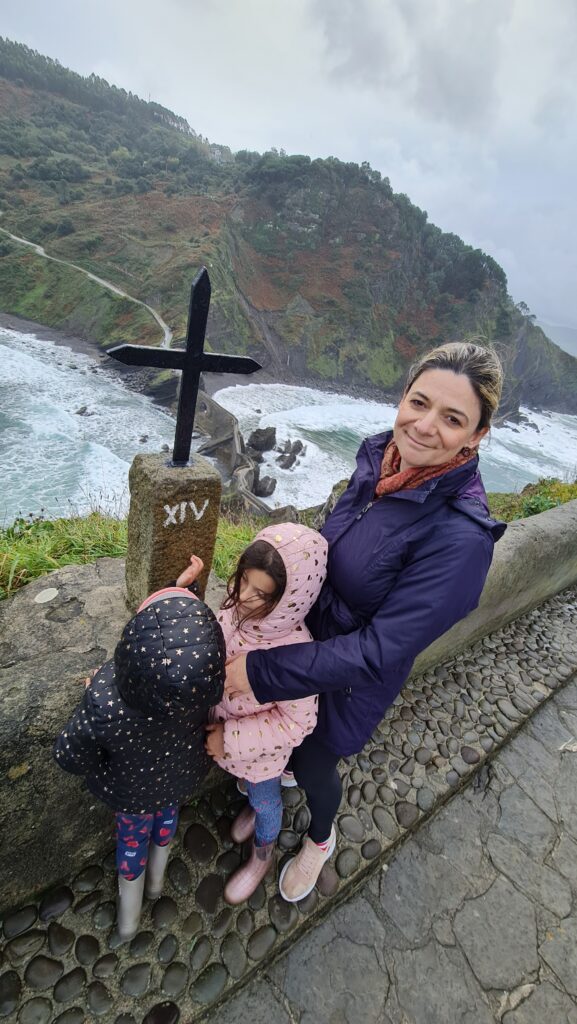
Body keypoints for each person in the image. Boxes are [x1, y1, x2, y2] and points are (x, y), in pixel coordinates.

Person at [224, 341, 507, 902]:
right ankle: (267, 791)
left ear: (477, 435)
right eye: (418, 402)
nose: (425, 427)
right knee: (278, 747)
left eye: (453, 419)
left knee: (311, 764)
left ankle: (321, 838)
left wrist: (262, 672)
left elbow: (381, 648)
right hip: (297, 644)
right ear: (402, 397)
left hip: (348, 681)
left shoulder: (462, 540)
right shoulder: (379, 457)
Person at [54, 568, 225, 940]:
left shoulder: (106, 696)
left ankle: (129, 923)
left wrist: (95, 692)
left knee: (132, 845)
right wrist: (188, 589)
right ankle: (157, 887)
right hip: (178, 782)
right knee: (165, 827)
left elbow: (69, 754)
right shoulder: (199, 688)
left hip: (131, 794)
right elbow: (182, 644)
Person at [179, 523, 328, 904]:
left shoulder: (297, 655)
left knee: (266, 801)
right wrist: (188, 593)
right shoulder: (236, 605)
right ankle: (248, 801)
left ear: (292, 598)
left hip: (261, 758)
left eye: (260, 593)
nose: (243, 597)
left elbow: (298, 721)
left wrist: (228, 740)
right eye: (243, 580)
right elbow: (214, 630)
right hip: (228, 735)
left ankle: (264, 852)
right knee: (246, 789)